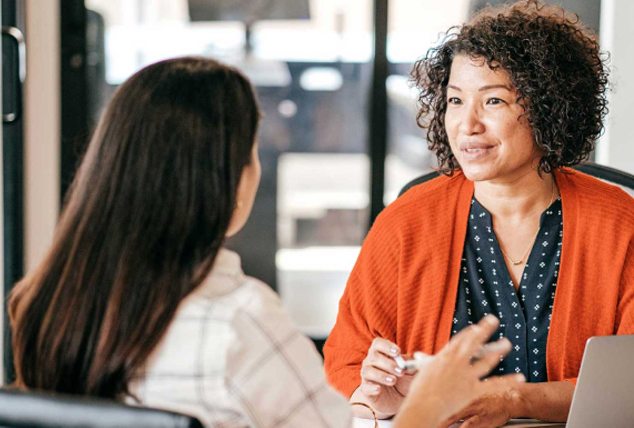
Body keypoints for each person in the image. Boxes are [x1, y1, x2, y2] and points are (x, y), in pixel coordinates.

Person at [8, 57, 524, 427]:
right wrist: (427, 407)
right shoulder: (240, 321)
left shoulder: (47, 304)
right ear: (228, 180)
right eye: (253, 152)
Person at [324, 1, 634, 427]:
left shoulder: (622, 225)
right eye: (455, 100)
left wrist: (514, 398)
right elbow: (347, 362)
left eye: (493, 101)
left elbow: (628, 382)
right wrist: (380, 396)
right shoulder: (405, 222)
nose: (466, 124)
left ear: (548, 107)